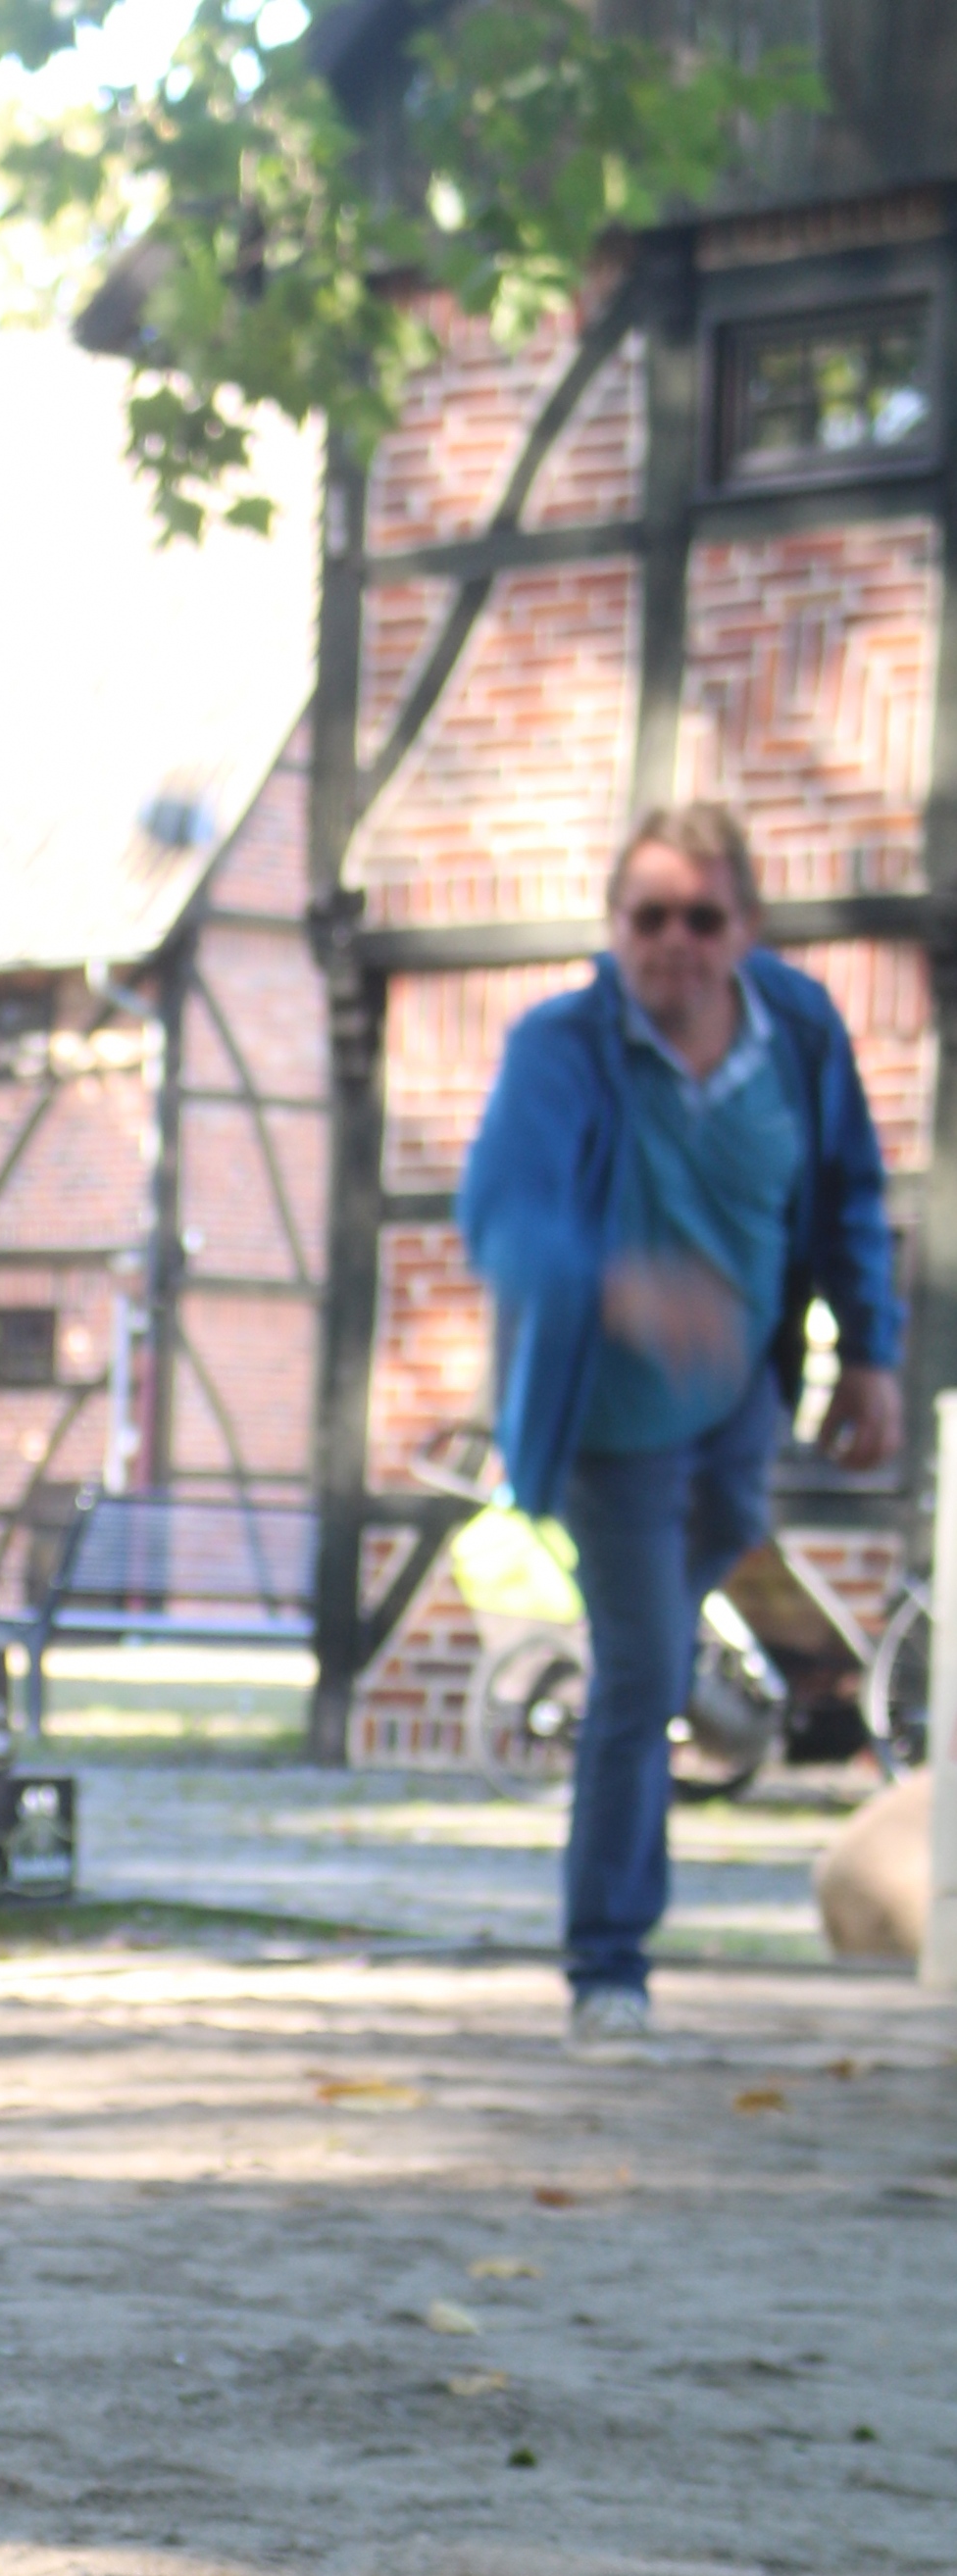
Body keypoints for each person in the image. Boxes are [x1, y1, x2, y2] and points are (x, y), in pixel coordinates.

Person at [461, 798, 902, 2053]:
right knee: (642, 1670)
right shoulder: (565, 1046)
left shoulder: (800, 1032)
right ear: (615, 928)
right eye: (647, 916)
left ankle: (668, 1667)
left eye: (701, 917)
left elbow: (849, 1195)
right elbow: (501, 1211)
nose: (674, 941)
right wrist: (621, 1283)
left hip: (739, 1411)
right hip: (606, 1420)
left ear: (744, 928)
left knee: (677, 1613)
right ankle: (610, 1965)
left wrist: (869, 1351)